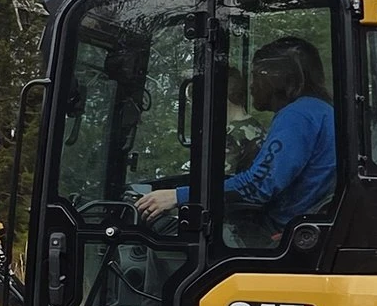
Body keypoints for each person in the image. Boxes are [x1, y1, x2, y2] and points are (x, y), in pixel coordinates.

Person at [133, 36, 336, 231]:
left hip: (274, 234)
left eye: (256, 75)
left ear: (277, 78)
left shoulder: (298, 116)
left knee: (165, 240)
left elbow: (257, 186)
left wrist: (178, 197)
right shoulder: (320, 111)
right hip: (293, 224)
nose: (251, 86)